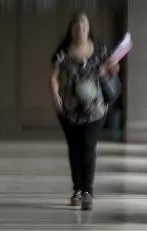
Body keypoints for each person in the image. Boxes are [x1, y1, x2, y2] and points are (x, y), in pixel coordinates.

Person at [50, 12, 119, 211]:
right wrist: (56, 96)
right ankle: (77, 189)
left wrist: (113, 68)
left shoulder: (101, 50)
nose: (80, 30)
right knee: (74, 149)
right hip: (69, 109)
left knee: (88, 147)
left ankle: (87, 190)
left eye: (84, 27)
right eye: (76, 27)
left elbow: (114, 68)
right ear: (71, 30)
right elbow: (53, 76)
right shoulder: (62, 52)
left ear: (89, 30)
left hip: (95, 109)